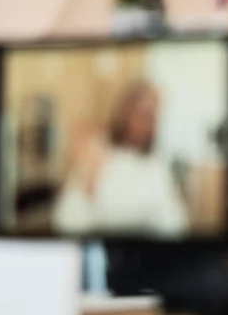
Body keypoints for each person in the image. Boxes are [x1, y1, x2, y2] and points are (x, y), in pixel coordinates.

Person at [52, 78, 189, 237]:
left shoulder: (156, 167)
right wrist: (90, 183)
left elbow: (176, 226)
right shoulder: (96, 153)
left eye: (152, 117)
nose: (145, 124)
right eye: (141, 113)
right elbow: (65, 224)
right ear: (125, 112)